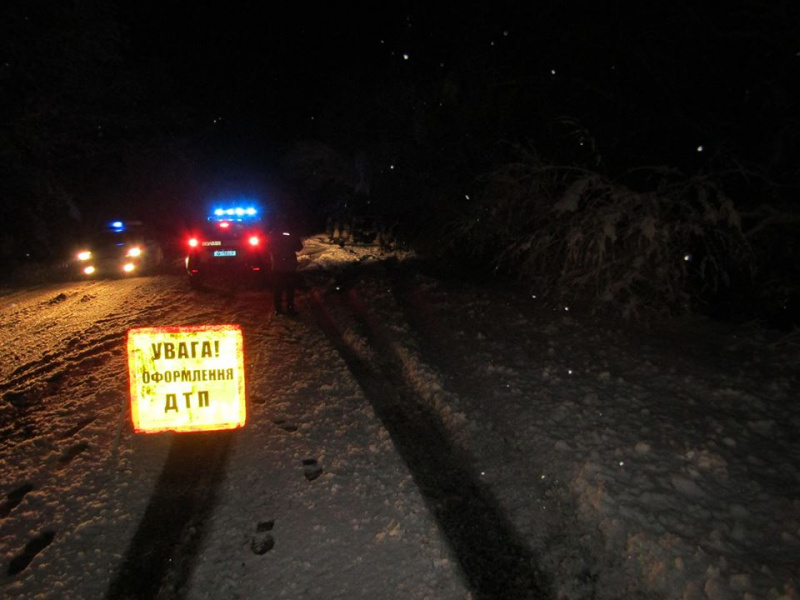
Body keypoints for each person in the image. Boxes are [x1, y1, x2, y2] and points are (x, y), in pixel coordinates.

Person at [269, 218, 303, 315]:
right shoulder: (291, 234)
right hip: (289, 266)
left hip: (277, 266)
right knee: (290, 288)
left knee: (278, 289)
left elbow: (269, 247)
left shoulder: (272, 234)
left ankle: (278, 309)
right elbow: (299, 247)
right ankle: (290, 308)